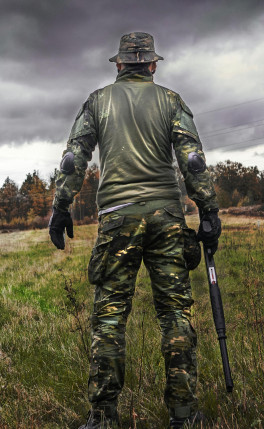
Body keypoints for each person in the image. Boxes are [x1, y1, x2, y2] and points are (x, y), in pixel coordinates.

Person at [48, 32, 221, 429]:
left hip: (118, 219)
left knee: (109, 319)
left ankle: (102, 418)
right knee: (175, 314)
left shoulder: (98, 101)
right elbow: (192, 160)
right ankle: (183, 414)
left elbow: (74, 159)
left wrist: (61, 206)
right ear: (153, 65)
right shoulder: (171, 101)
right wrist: (208, 210)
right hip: (167, 218)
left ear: (120, 64)